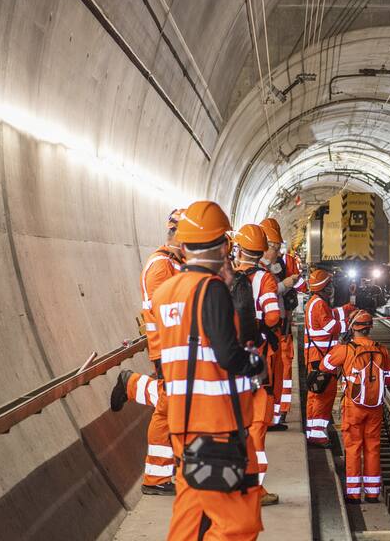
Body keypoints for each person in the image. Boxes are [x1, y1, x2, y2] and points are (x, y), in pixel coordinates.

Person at [152, 200, 264, 541]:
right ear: (224, 246)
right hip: (216, 424)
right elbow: (228, 354)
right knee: (238, 523)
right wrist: (254, 365)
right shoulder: (210, 289)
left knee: (189, 517)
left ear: (183, 246)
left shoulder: (164, 293)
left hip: (182, 424)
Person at [110, 208, 184, 495]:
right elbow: (167, 312)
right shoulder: (160, 266)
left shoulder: (176, 262)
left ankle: (131, 384)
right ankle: (155, 479)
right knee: (166, 408)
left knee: (168, 405)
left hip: (176, 349)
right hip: (167, 350)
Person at [229, 223, 283, 507]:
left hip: (228, 360)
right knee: (257, 424)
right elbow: (273, 316)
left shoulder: (225, 274)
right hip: (257, 359)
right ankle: (255, 490)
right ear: (263, 249)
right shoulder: (265, 279)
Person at [320, 310, 390, 503]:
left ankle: (353, 493)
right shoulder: (382, 350)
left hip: (353, 406)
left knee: (353, 447)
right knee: (373, 447)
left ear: (353, 327)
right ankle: (372, 493)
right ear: (369, 328)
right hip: (375, 407)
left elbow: (324, 366)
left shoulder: (346, 349)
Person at [303, 269, 356, 446]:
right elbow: (330, 326)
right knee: (324, 395)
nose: (332, 287)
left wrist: (349, 308)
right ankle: (317, 435)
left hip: (317, 356)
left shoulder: (317, 302)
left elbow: (332, 314)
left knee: (316, 393)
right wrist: (350, 323)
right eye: (330, 285)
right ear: (324, 288)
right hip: (321, 357)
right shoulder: (318, 304)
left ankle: (313, 431)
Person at [258, 218, 299, 428]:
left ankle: (274, 416)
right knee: (269, 377)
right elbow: (269, 297)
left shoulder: (274, 266)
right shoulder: (259, 272)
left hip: (276, 330)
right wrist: (285, 284)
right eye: (274, 247)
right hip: (268, 333)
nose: (277, 252)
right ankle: (269, 417)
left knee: (275, 376)